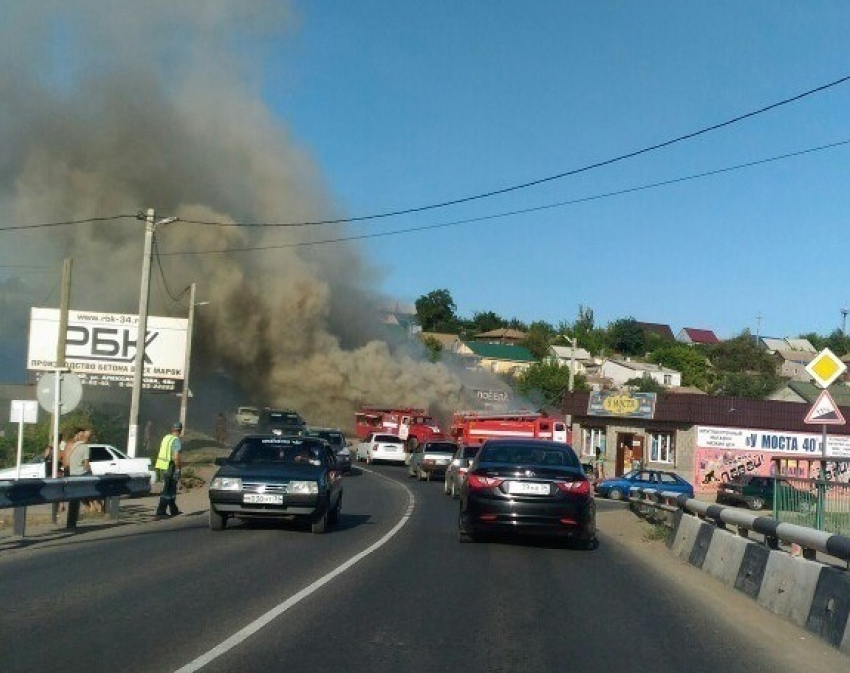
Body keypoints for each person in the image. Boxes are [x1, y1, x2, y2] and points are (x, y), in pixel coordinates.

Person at [155, 421, 183, 518]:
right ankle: (161, 511)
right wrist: (178, 468)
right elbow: (176, 456)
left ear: (172, 429)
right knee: (167, 490)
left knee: (171, 488)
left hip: (162, 466)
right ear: (180, 430)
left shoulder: (166, 438)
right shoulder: (176, 440)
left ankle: (173, 509)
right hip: (170, 466)